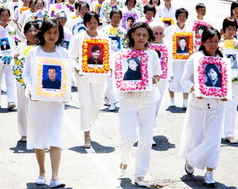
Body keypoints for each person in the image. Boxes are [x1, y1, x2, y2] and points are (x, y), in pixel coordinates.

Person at [180, 27, 228, 187]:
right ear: (203, 42)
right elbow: (184, 80)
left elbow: (225, 82)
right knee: (196, 138)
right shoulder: (195, 58)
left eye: (216, 41)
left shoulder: (222, 59)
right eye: (210, 41)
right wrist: (194, 88)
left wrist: (225, 92)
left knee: (213, 140)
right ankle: (191, 159)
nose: (214, 45)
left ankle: (209, 172)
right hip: (198, 105)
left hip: (217, 106)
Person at [23, 19, 69, 188]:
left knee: (56, 136)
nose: (52, 36)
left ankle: (55, 177)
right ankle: (42, 172)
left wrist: (66, 93)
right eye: (49, 32)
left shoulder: (63, 53)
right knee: (38, 136)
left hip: (56, 103)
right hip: (37, 101)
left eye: (55, 32)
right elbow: (26, 74)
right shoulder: (33, 52)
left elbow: (67, 75)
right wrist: (29, 89)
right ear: (42, 33)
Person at [118, 22, 161, 188]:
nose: (141, 38)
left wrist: (151, 80)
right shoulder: (123, 54)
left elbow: (157, 75)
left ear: (148, 36)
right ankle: (124, 158)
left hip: (148, 100)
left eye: (144, 35)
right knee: (127, 137)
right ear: (132, 35)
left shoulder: (152, 55)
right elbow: (118, 77)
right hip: (128, 100)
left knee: (146, 138)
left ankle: (140, 174)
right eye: (138, 34)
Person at [69, 12, 109, 148]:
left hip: (99, 76)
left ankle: (89, 124)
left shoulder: (104, 37)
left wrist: (110, 67)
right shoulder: (79, 38)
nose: (92, 25)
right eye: (90, 23)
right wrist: (76, 67)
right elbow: (71, 57)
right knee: (86, 105)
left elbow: (108, 56)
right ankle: (87, 134)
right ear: (85, 24)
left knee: (97, 106)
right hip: (83, 76)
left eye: (95, 22)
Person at [13, 21, 40, 142]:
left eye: (35, 30)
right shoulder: (20, 48)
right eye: (30, 31)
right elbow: (14, 64)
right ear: (25, 34)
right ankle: (24, 133)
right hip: (23, 82)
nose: (33, 33)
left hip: (39, 83)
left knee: (38, 108)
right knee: (23, 107)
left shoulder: (42, 48)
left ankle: (37, 133)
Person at [165, 8, 191, 109]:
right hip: (173, 59)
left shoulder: (189, 30)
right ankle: (172, 100)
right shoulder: (170, 29)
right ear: (176, 17)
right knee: (173, 79)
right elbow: (167, 43)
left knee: (185, 78)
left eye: (184, 16)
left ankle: (185, 101)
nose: (182, 18)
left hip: (185, 59)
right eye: (180, 16)